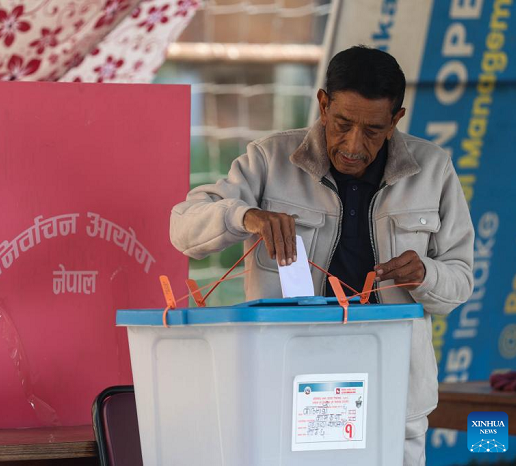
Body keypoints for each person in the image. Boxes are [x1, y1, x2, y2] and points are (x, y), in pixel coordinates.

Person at [169, 45, 474, 465]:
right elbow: (183, 227)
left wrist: (426, 274)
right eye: (342, 123)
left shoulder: (434, 169)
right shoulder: (269, 159)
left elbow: (459, 283)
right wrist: (245, 216)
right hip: (289, 385)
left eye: (372, 130)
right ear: (323, 104)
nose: (353, 145)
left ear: (396, 119)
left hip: (394, 389)